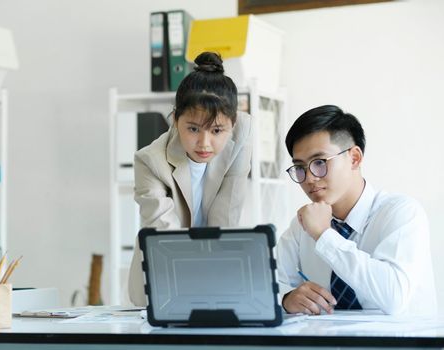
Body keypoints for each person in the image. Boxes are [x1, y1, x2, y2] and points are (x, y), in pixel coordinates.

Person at [277, 105, 436, 316]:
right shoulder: (302, 224)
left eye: (319, 162)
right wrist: (287, 298)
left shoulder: (402, 213)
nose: (310, 178)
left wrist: (324, 236)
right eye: (300, 168)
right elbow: (269, 283)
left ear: (354, 158)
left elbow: (394, 296)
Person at [128, 52, 253, 306]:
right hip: (164, 277)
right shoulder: (150, 161)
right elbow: (165, 239)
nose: (205, 144)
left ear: (233, 123)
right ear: (175, 119)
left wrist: (217, 281)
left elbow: (226, 216)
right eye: (193, 129)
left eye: (217, 130)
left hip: (216, 269)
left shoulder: (242, 133)